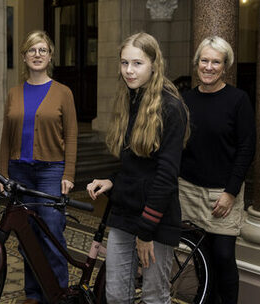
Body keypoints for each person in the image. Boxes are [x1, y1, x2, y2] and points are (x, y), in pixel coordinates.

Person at [86, 32, 189, 303]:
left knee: (154, 297)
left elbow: (165, 177)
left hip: (156, 220)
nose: (129, 71)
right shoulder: (129, 100)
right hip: (124, 214)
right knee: (116, 296)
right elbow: (137, 165)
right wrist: (113, 181)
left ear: (154, 64)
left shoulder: (171, 107)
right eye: (124, 63)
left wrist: (146, 232)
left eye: (137, 63)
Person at [0, 30, 78, 304]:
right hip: (19, 173)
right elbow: (6, 137)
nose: (37, 55)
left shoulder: (63, 92)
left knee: (52, 233)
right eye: (32, 50)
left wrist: (68, 174)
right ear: (23, 56)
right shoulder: (13, 93)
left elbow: (71, 135)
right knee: (27, 237)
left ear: (50, 56)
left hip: (51, 172)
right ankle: (33, 294)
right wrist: (3, 174)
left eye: (42, 50)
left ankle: (57, 295)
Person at [179, 36, 255, 304]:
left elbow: (246, 149)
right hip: (188, 190)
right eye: (204, 60)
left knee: (223, 255)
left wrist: (231, 192)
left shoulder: (238, 99)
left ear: (225, 66)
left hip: (223, 192)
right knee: (202, 258)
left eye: (216, 62)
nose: (209, 66)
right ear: (196, 63)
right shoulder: (185, 99)